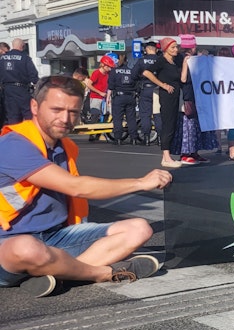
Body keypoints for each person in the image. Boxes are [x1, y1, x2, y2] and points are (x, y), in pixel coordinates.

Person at [0, 76, 172, 297]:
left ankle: (59, 275)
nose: (65, 119)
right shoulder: (13, 144)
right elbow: (75, 187)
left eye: (73, 112)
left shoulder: (64, 146)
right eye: (56, 109)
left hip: (56, 237)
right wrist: (140, 183)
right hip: (9, 244)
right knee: (27, 248)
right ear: (35, 107)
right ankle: (101, 273)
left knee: (139, 229)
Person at [142, 37, 185, 167]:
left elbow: (182, 77)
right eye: (173, 47)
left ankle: (167, 156)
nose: (176, 49)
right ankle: (166, 157)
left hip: (175, 96)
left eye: (176, 47)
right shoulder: (161, 60)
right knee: (168, 125)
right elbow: (146, 72)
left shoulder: (175, 61)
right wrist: (162, 85)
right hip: (166, 96)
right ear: (166, 49)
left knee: (172, 124)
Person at [1, 38, 40, 125]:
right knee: (28, 115)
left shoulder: (2, 58)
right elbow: (33, 75)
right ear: (22, 46)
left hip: (7, 91)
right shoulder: (25, 58)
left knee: (12, 117)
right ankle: (29, 132)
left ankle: (15, 133)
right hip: (22, 90)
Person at [106, 54, 141, 145]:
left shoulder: (114, 71)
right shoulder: (132, 71)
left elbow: (110, 87)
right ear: (127, 61)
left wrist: (108, 98)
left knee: (118, 118)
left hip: (118, 97)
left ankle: (118, 138)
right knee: (131, 118)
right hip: (130, 97)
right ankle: (133, 138)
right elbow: (137, 85)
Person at [133, 41, 161, 146]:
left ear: (147, 49)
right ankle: (160, 138)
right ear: (156, 50)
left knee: (145, 115)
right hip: (158, 89)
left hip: (145, 89)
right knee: (158, 114)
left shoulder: (141, 61)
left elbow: (133, 75)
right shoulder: (160, 60)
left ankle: (147, 138)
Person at [84, 54, 113, 135]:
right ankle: (92, 134)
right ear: (103, 65)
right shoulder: (96, 73)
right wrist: (99, 92)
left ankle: (100, 132)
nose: (109, 68)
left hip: (105, 97)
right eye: (108, 66)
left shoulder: (108, 74)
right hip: (96, 97)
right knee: (95, 115)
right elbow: (89, 84)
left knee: (106, 114)